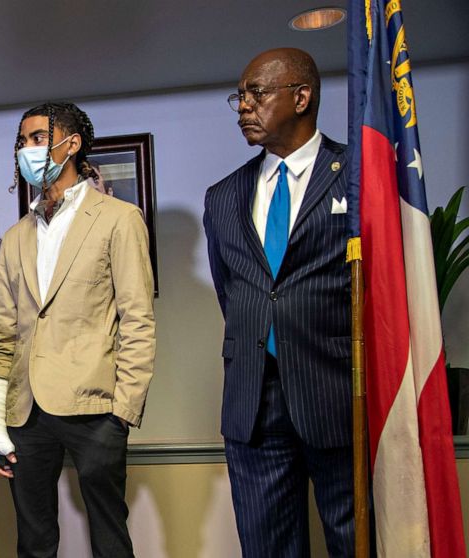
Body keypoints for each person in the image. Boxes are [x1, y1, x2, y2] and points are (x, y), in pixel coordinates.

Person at [0, 102, 156, 558]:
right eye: (22, 141)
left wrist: (123, 410)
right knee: (33, 540)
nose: (26, 149)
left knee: (109, 536)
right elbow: (3, 333)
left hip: (95, 407)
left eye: (37, 138)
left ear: (71, 143)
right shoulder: (16, 235)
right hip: (25, 412)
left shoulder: (119, 218)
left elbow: (137, 320)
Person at [203, 48, 354, 557]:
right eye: (240, 97)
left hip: (337, 394)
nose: (243, 106)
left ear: (301, 96)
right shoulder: (223, 196)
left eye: (257, 93)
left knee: (357, 541)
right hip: (253, 403)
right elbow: (234, 293)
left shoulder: (358, 173)